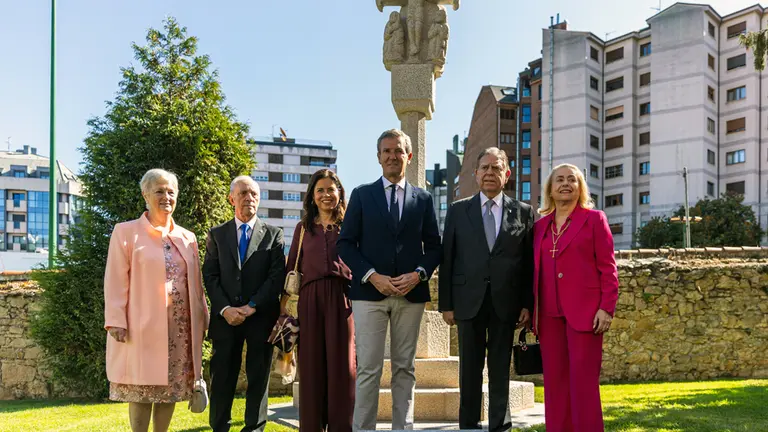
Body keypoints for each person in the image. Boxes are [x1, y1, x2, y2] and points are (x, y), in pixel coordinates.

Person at [337, 129, 442, 431]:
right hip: (368, 295)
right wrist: (372, 276)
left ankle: (402, 428)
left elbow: (434, 246)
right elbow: (345, 243)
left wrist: (419, 274)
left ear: (408, 156)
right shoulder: (361, 195)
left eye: (398, 151)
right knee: (369, 368)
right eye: (387, 151)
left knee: (404, 368)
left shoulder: (423, 199)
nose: (392, 156)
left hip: (410, 296)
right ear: (379, 157)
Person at [104, 168, 209, 432]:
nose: (166, 197)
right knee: (143, 388)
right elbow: (115, 279)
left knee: (170, 389)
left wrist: (202, 318)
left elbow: (196, 286)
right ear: (145, 195)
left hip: (180, 330)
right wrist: (116, 319)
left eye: (171, 192)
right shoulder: (126, 232)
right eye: (159, 191)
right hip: (142, 327)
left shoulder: (188, 238)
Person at [438, 147, 533, 432]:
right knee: (470, 369)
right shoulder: (457, 210)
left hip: (507, 303)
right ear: (475, 173)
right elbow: (448, 258)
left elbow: (528, 263)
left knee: (500, 369)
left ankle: (499, 426)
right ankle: (468, 425)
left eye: (497, 167)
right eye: (485, 168)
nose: (490, 173)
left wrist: (527, 303)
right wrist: (446, 304)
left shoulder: (524, 212)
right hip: (468, 302)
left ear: (507, 174)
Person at [534, 163, 619, 432]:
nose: (566, 184)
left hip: (586, 315)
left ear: (580, 187)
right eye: (559, 180)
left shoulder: (595, 219)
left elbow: (608, 268)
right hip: (548, 316)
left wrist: (606, 308)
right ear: (550, 188)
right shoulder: (539, 226)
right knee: (555, 385)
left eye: (572, 179)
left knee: (583, 384)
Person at [203, 176, 286, 432]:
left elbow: (276, 277)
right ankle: (220, 426)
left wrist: (252, 306)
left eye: (253, 194)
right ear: (232, 199)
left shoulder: (274, 235)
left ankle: (254, 428)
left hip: (260, 316)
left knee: (258, 377)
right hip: (225, 318)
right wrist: (226, 309)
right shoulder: (217, 234)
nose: (249, 198)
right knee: (222, 377)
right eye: (243, 193)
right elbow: (210, 275)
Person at [286, 169, 355, 432]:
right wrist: (283, 310)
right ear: (312, 197)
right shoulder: (303, 229)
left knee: (342, 367)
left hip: (342, 299)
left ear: (339, 193)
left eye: (331, 189)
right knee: (312, 367)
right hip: (310, 300)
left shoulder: (351, 226)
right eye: (320, 190)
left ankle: (341, 427)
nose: (326, 195)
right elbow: (291, 266)